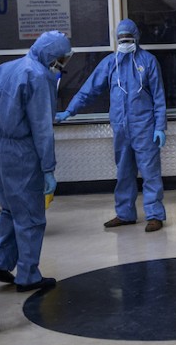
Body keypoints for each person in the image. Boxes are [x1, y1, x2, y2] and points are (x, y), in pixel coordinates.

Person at [56, 19, 168, 232]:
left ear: (136, 37)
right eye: (121, 38)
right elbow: (89, 89)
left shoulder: (149, 61)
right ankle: (125, 214)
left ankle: (155, 215)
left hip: (144, 126)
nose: (125, 42)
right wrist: (71, 110)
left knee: (150, 172)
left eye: (128, 38)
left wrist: (160, 126)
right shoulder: (110, 63)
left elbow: (158, 97)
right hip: (121, 127)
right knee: (124, 171)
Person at [0, 30, 72, 292]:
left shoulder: (2, 69)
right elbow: (42, 127)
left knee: (10, 209)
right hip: (21, 153)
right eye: (62, 59)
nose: (61, 65)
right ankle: (28, 275)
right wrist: (48, 168)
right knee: (31, 217)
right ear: (53, 55)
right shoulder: (39, 76)